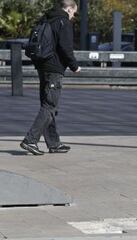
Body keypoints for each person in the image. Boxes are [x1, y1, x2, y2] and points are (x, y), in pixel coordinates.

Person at [20, 0, 81, 155]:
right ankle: (30, 140)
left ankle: (54, 143)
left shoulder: (45, 19)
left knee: (48, 104)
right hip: (54, 68)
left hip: (42, 66)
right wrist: (74, 66)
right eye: (74, 12)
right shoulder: (63, 22)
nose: (74, 15)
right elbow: (66, 47)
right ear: (68, 9)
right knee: (50, 105)